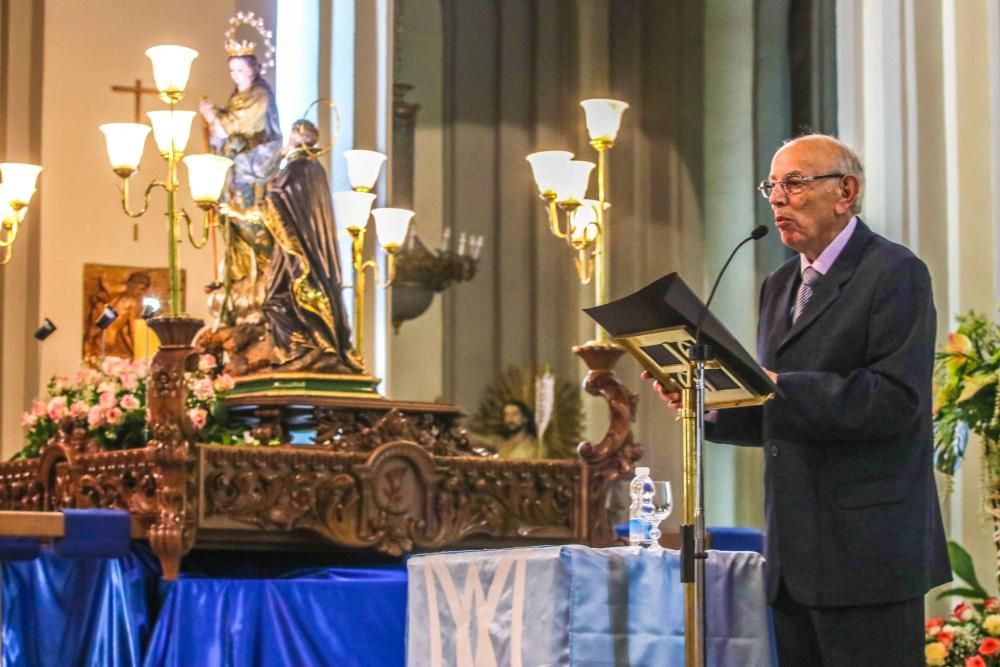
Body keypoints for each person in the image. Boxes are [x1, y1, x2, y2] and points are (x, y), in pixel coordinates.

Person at [644, 134, 949, 666]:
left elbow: (894, 401)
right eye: (773, 186)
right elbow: (780, 414)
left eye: (796, 183)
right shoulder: (780, 284)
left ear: (845, 191)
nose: (779, 198)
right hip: (794, 552)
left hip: (866, 551)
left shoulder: (894, 272)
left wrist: (774, 385)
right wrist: (713, 403)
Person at [259, 119, 361, 373]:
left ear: (295, 138)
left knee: (275, 298)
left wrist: (259, 204)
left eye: (290, 136)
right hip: (309, 244)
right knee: (286, 295)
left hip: (296, 246)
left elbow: (276, 201)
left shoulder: (295, 169)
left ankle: (302, 347)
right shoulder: (316, 170)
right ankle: (315, 346)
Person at [198, 54, 282, 208]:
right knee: (231, 205)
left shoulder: (259, 96)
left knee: (243, 207)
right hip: (235, 159)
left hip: (252, 161)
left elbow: (229, 128)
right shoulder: (238, 96)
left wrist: (212, 116)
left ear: (252, 70)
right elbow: (224, 126)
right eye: (232, 70)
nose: (236, 75)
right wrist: (213, 114)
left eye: (240, 70)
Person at [469, 400, 543, 459]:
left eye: (515, 414)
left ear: (525, 418)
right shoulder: (501, 443)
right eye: (506, 415)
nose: (510, 419)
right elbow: (479, 440)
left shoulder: (535, 447)